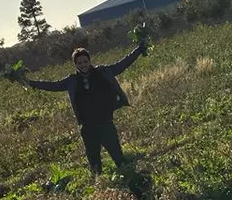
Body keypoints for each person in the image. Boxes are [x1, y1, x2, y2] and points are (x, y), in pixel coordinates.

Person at [22, 41, 147, 175]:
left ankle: (130, 178)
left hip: (106, 123)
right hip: (87, 128)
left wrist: (139, 50)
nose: (83, 65)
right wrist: (30, 83)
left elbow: (122, 64)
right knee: (94, 162)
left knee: (118, 156)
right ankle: (100, 186)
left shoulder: (102, 72)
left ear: (89, 61)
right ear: (75, 65)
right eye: (79, 63)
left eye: (85, 62)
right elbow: (52, 86)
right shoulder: (72, 80)